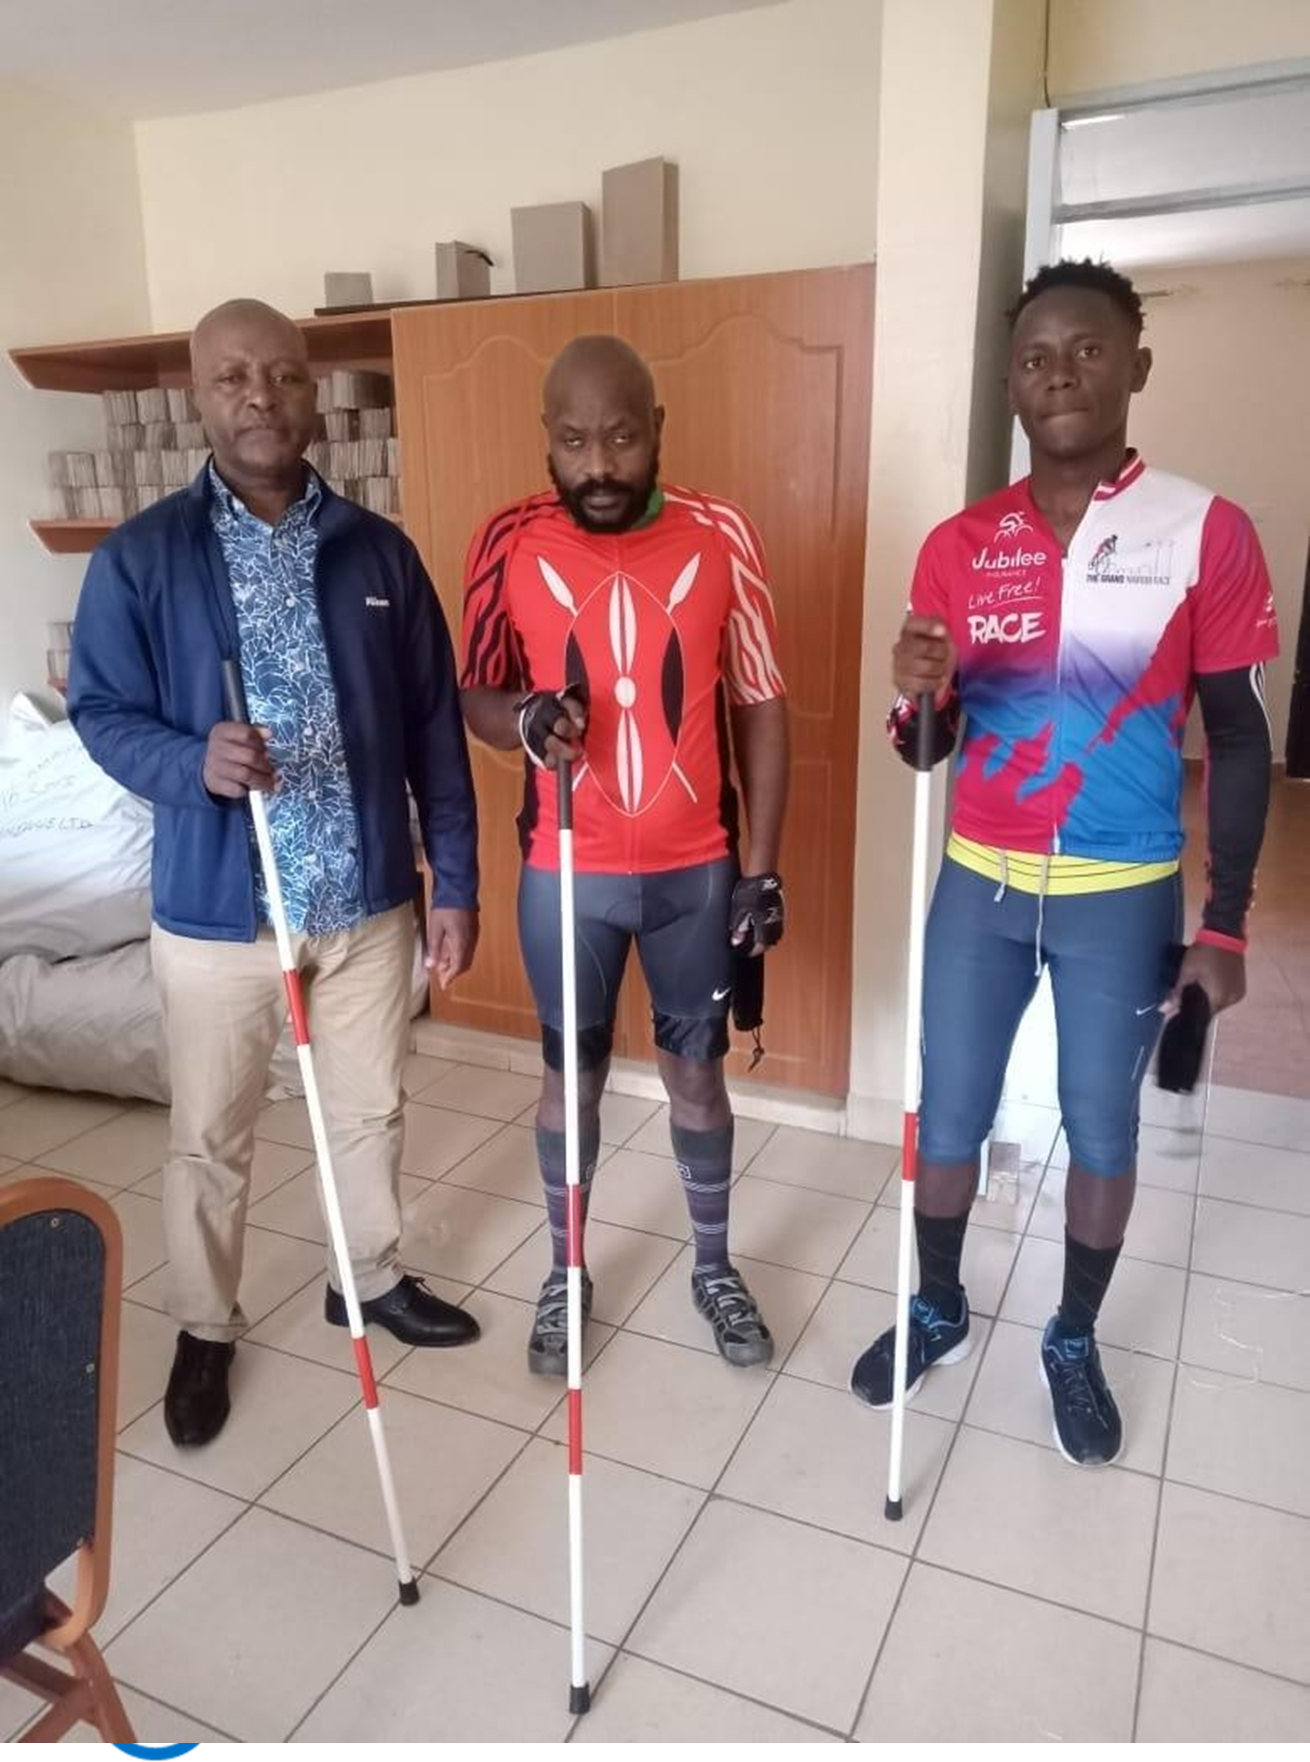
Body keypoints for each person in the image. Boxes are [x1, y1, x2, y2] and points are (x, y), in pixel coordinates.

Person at [851, 260, 1279, 1465]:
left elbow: (1238, 737)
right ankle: (939, 1305)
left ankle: (1072, 1335)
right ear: (1009, 382)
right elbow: (922, 747)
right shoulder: (958, 544)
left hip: (1120, 896)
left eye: (1087, 350)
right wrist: (914, 693)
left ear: (1134, 363)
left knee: (1100, 1129)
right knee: (946, 1111)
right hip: (977, 885)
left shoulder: (1203, 530)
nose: (1059, 375)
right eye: (1035, 357)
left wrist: (1225, 922)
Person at [69, 299, 483, 1449]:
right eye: (233, 377)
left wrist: (453, 881)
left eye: (284, 375)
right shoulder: (142, 556)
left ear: (312, 392)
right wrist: (189, 761)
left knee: (371, 1110)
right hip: (219, 918)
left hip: (365, 904)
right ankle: (204, 1326)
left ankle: (367, 1277)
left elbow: (436, 730)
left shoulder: (379, 552)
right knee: (210, 1136)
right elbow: (100, 711)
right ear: (199, 398)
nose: (261, 396)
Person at [460, 335, 790, 1374]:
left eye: (620, 437)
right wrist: (522, 718)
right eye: (573, 441)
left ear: (657, 430)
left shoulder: (720, 531)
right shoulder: (507, 539)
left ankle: (713, 1267)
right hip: (568, 878)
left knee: (698, 1080)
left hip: (697, 874)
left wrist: (762, 866)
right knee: (571, 1085)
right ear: (545, 439)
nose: (598, 464)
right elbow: (474, 693)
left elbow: (762, 704)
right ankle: (566, 1272)